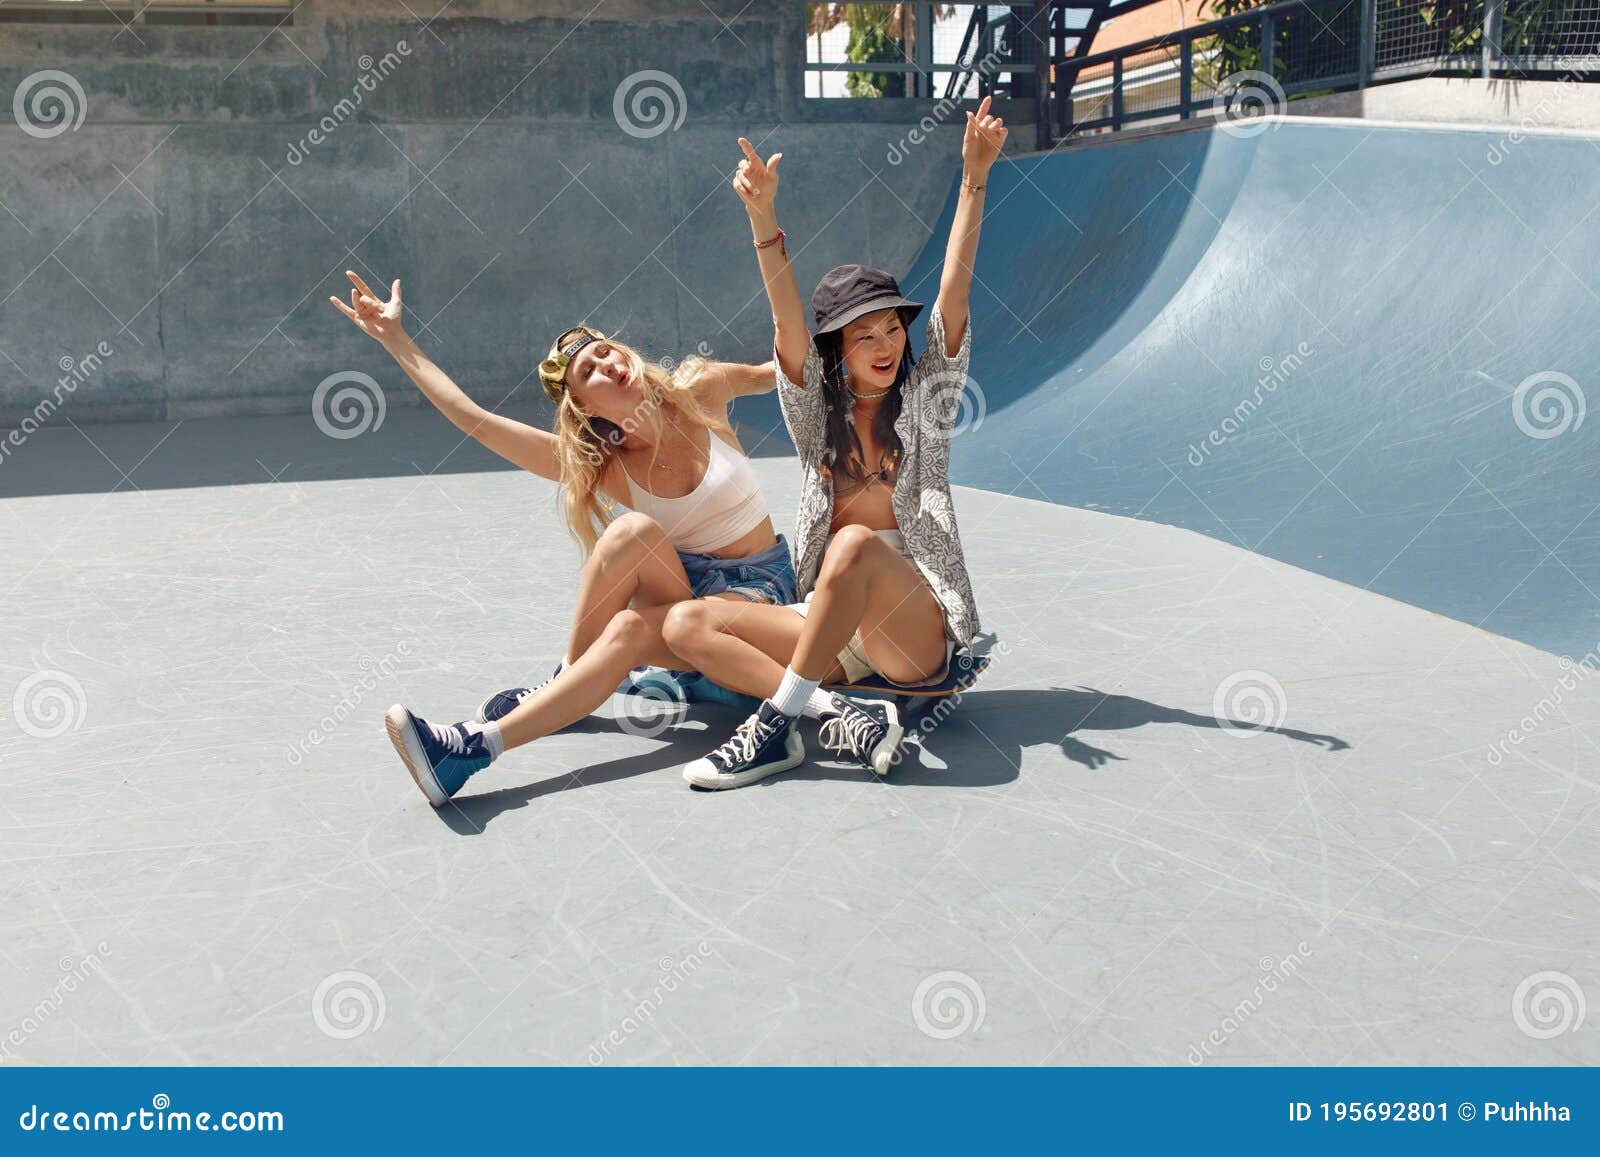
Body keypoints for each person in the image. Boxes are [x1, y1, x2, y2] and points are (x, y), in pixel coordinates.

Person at [328, 271, 794, 806]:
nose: (608, 364)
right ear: (586, 407)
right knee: (630, 532)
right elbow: (474, 420)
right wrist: (396, 340)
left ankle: (508, 725)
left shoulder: (700, 390)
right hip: (688, 598)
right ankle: (552, 696)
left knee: (629, 612)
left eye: (606, 352)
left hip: (761, 592)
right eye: (590, 371)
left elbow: (785, 370)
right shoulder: (603, 466)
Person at [662, 99, 1006, 790]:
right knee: (684, 625)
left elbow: (953, 292)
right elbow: (787, 321)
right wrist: (762, 216)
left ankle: (773, 728)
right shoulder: (816, 419)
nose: (885, 345)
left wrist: (974, 177)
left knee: (854, 546)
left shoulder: (927, 403)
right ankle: (842, 709)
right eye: (864, 334)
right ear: (837, 352)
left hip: (915, 632)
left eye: (892, 328)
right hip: (838, 633)